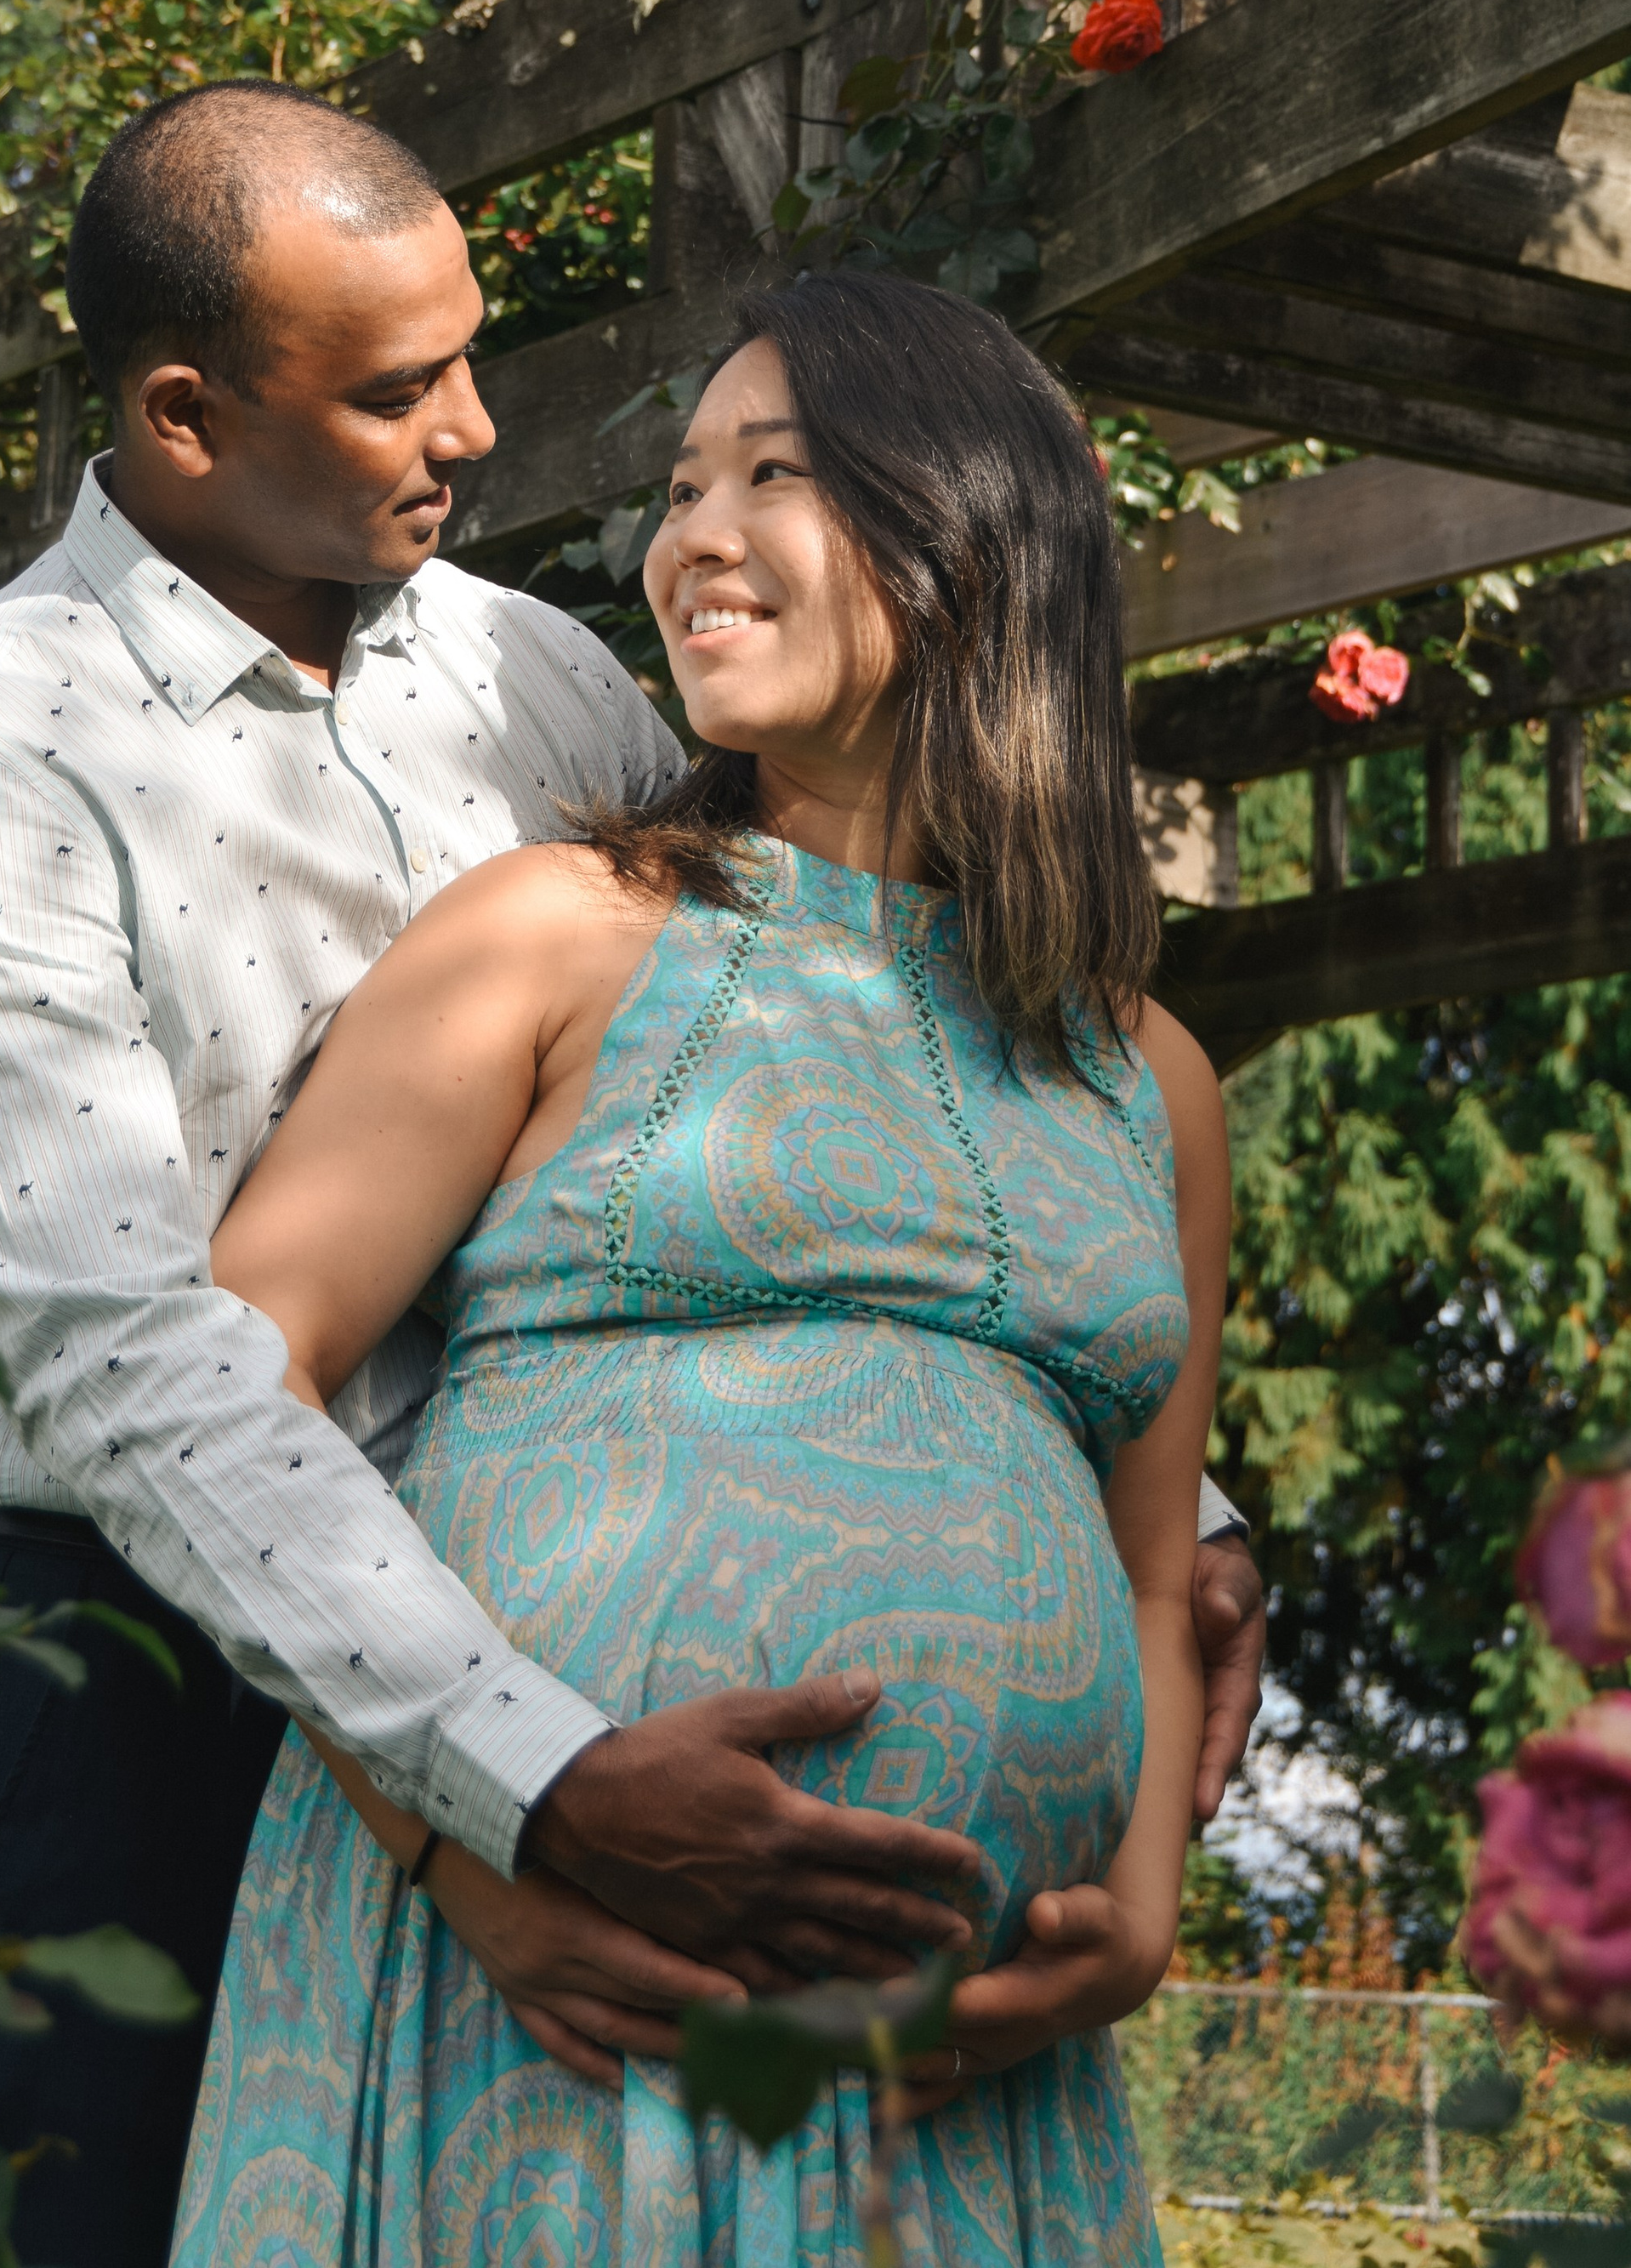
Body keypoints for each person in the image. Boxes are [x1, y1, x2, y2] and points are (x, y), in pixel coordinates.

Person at [0, 88, 1262, 2262]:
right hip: (122, 1655)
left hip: (536, 1664)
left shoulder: (534, 673)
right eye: (403, 387)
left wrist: (1135, 1493)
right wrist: (518, 1810)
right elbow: (135, 1367)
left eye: (472, 353)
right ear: (189, 418)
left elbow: (825, 1035)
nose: (484, 428)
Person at [177, 268, 1230, 2265]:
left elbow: (1158, 1562)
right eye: (679, 488)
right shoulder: (555, 934)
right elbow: (231, 1390)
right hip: (544, 2008)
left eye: (776, 475)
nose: (690, 541)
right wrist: (462, 1831)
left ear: (970, 532)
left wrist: (1145, 1920)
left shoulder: (1152, 1077)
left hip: (965, 2088)